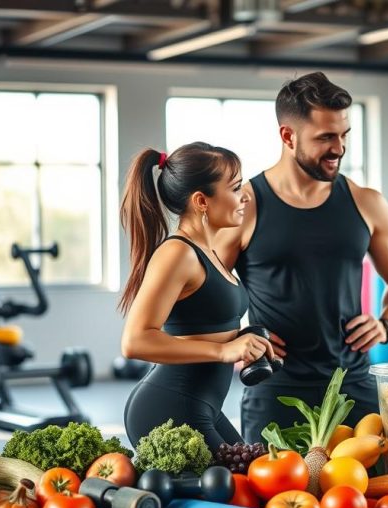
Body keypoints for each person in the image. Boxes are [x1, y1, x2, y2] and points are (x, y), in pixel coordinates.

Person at [215, 72, 388, 443]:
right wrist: (234, 339)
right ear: (288, 137)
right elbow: (207, 290)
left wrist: (387, 323)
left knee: (363, 499)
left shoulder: (366, 202)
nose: (339, 148)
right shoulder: (245, 205)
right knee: (278, 500)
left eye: (344, 135)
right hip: (275, 388)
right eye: (325, 137)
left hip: (352, 386)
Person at [119, 142, 279, 450]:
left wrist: (245, 339)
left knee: (255, 483)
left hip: (203, 405)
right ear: (202, 201)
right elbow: (134, 341)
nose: (244, 195)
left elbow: (204, 324)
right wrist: (224, 351)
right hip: (169, 407)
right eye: (235, 188)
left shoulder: (210, 252)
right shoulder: (178, 252)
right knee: (238, 495)